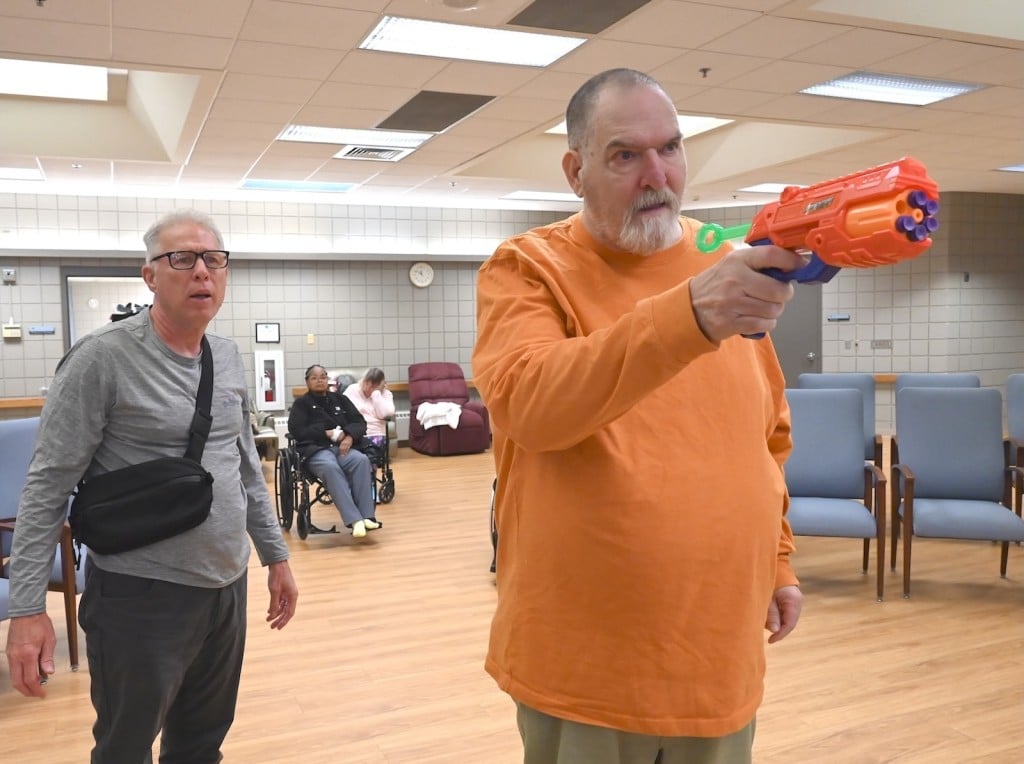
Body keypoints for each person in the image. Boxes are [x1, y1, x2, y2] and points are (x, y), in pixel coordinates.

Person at [472, 68, 806, 764]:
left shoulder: (722, 261)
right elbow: (531, 405)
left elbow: (767, 434)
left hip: (718, 655)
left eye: (671, 148)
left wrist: (777, 563)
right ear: (576, 171)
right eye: (626, 155)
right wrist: (689, 317)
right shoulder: (528, 266)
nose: (658, 175)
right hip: (587, 669)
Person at [4, 209, 298, 762]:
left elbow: (243, 467)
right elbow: (45, 488)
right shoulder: (101, 359)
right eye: (181, 258)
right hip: (140, 595)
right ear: (150, 276)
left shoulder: (227, 356)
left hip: (226, 586)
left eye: (214, 259)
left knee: (201, 744)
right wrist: (26, 609)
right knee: (125, 748)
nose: (202, 271)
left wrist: (275, 556)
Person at [289, 364, 381, 538]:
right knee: (330, 467)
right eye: (314, 378)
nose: (319, 381)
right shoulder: (301, 404)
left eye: (323, 377)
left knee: (361, 460)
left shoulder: (341, 399)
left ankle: (367, 516)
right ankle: (354, 520)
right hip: (316, 450)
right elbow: (297, 431)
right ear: (307, 382)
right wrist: (325, 433)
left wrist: (349, 436)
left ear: (327, 380)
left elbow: (359, 422)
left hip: (342, 448)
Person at [343, 367, 395, 448]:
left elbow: (384, 414)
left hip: (376, 433)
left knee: (372, 451)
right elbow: (343, 409)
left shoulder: (385, 394)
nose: (368, 388)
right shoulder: (352, 389)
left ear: (379, 386)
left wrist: (376, 394)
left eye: (373, 387)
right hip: (356, 433)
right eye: (366, 383)